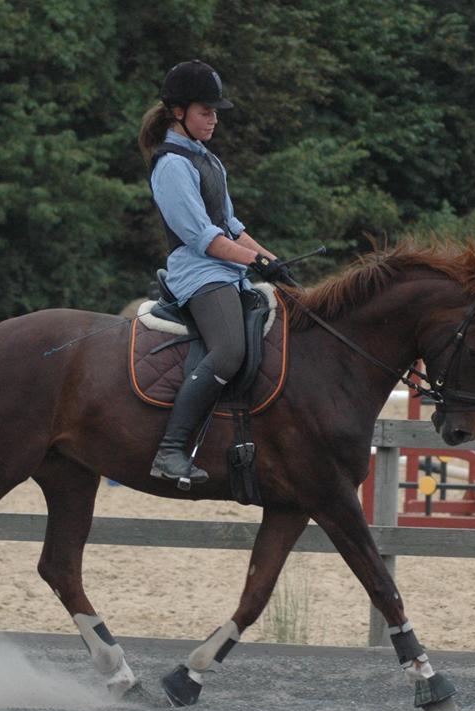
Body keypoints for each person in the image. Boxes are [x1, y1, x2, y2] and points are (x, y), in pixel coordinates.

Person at [138, 59, 296, 487]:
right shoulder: (171, 165)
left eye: (215, 113)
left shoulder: (207, 159)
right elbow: (202, 237)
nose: (213, 119)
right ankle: (171, 451)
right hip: (198, 273)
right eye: (205, 112)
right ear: (178, 112)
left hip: (227, 270)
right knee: (228, 350)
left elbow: (233, 227)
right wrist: (254, 262)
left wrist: (273, 261)